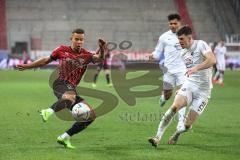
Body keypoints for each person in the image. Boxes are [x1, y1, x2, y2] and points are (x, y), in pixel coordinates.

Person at [17, 28, 107, 149]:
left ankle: (64, 137)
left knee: (90, 116)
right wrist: (28, 66)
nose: (79, 42)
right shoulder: (61, 50)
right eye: (77, 39)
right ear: (71, 39)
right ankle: (48, 111)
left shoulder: (87, 55)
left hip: (71, 88)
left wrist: (102, 47)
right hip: (60, 83)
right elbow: (45, 60)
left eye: (81, 40)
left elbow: (100, 58)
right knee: (70, 97)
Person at [148, 26, 216, 147]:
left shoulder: (201, 45)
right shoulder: (183, 52)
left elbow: (212, 60)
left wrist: (196, 68)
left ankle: (177, 134)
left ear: (189, 38)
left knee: (187, 125)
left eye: (181, 39)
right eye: (178, 39)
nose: (179, 42)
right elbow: (185, 69)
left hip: (204, 92)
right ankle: (157, 137)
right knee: (174, 107)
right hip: (190, 85)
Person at [149, 13, 187, 131]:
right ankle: (163, 98)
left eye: (175, 23)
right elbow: (158, 51)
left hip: (182, 70)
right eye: (171, 23)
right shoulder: (164, 37)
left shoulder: (186, 35)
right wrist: (153, 56)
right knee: (168, 94)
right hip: (169, 70)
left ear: (180, 23)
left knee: (181, 95)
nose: (173, 25)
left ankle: (181, 122)